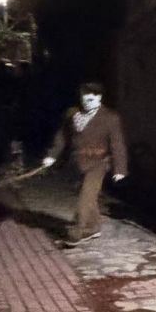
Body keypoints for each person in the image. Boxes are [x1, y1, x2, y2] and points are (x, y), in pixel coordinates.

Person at [42, 81, 127, 245]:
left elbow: (118, 144)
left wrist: (120, 169)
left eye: (91, 99)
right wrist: (52, 156)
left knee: (85, 196)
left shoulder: (110, 118)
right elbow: (62, 137)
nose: (87, 103)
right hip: (80, 162)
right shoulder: (73, 115)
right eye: (84, 99)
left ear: (99, 98)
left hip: (99, 163)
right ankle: (93, 227)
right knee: (90, 197)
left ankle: (77, 230)